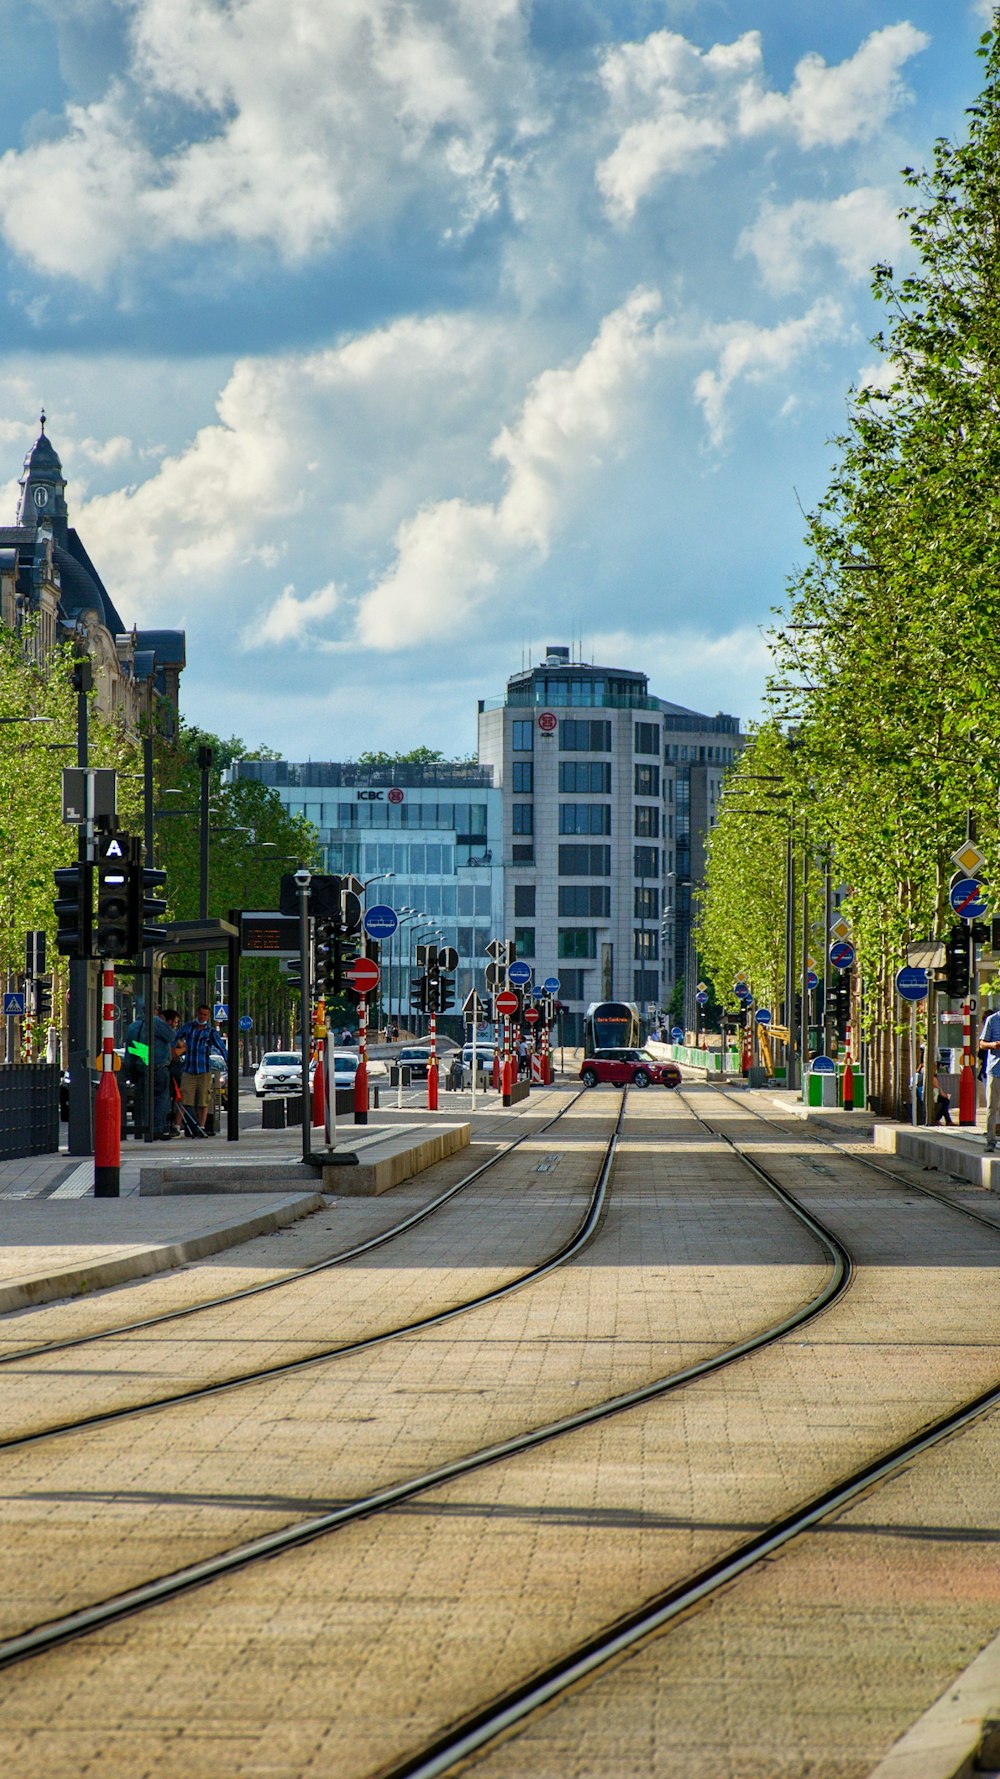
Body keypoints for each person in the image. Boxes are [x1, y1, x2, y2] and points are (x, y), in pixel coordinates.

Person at [125, 1004, 177, 1140]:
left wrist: (131, 1072)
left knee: (143, 1099)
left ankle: (142, 1127)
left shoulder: (133, 1027)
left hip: (140, 1068)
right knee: (160, 1098)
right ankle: (157, 1129)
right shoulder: (156, 1023)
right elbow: (171, 1036)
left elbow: (130, 1051)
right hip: (158, 1067)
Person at [176, 1005, 229, 1133]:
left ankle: (201, 1126)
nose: (202, 1016)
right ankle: (177, 1126)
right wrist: (178, 1048)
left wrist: (228, 1061)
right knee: (184, 1098)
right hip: (189, 1069)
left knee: (203, 1100)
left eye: (205, 1014)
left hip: (203, 1070)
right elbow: (175, 1037)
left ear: (208, 1016)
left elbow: (221, 1048)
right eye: (200, 1013)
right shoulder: (188, 1028)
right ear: (197, 1013)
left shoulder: (211, 1032)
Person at [978, 1003, 1000, 1150]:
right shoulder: (992, 1020)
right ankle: (990, 1141)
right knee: (992, 1107)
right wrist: (994, 1045)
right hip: (995, 1070)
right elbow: (982, 1043)